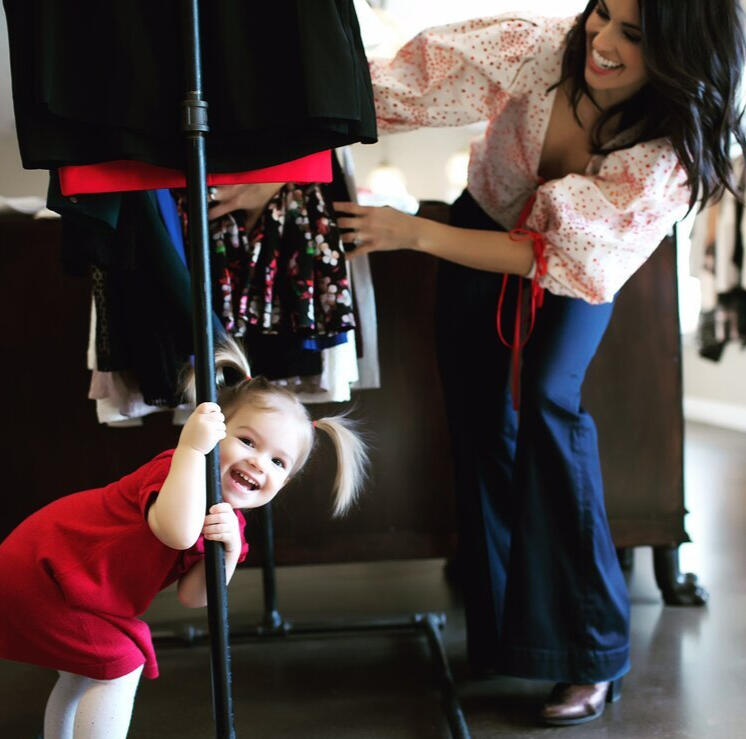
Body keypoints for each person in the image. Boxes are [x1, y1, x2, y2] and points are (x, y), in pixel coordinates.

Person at [333, 0, 746, 726]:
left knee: (550, 409)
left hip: (571, 269)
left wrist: (410, 233)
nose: (603, 40)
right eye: (603, 13)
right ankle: (503, 636)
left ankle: (592, 652)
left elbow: (547, 257)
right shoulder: (535, 48)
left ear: (682, 56)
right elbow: (399, 85)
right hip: (477, 225)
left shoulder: (666, 159)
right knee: (476, 420)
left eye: (634, 34)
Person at [0, 337, 368, 739]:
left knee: (85, 671)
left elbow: (194, 596)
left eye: (278, 462)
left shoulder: (232, 526)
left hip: (72, 587)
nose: (257, 462)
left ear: (286, 481)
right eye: (247, 441)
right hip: (43, 569)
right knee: (120, 661)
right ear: (213, 430)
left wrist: (226, 555)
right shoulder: (179, 470)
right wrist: (191, 449)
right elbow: (175, 532)